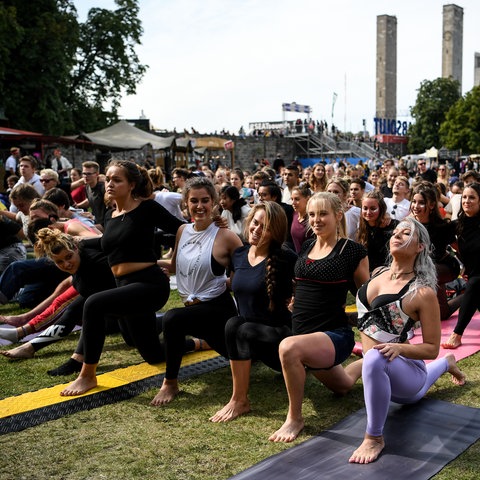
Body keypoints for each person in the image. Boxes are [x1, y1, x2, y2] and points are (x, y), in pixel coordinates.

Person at [58, 159, 185, 396]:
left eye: (117, 180)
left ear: (131, 184)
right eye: (109, 179)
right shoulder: (110, 214)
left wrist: (173, 262)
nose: (110, 184)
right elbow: (108, 243)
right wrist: (77, 241)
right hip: (124, 286)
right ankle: (200, 341)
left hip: (149, 285)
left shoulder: (147, 208)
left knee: (93, 304)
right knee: (152, 354)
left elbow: (181, 228)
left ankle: (87, 375)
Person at [349, 217, 465, 464]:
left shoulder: (422, 292)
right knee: (375, 361)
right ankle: (448, 363)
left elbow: (432, 348)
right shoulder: (378, 273)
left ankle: (374, 437)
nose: (397, 235)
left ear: (420, 247)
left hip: (405, 373)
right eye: (395, 232)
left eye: (406, 233)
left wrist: (398, 347)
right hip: (386, 369)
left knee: (378, 360)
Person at [269, 192, 369, 443]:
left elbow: (367, 298)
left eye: (323, 213)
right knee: (344, 385)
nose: (316, 219)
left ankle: (295, 418)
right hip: (306, 337)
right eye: (312, 214)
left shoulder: (352, 251)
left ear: (338, 215)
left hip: (334, 336)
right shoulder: (308, 246)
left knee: (288, 348)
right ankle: (364, 365)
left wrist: (374, 344)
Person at [151, 176, 243, 406]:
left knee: (172, 319)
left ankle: (170, 383)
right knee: (162, 325)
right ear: (185, 203)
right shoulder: (182, 230)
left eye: (205, 200)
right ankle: (202, 344)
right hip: (193, 310)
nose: (199, 206)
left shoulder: (226, 236)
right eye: (194, 201)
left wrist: (231, 281)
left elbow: (247, 267)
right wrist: (146, 266)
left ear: (214, 202)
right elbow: (173, 266)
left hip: (218, 311)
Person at [210, 202, 297, 422]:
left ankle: (240, 401)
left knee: (239, 326)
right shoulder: (239, 254)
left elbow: (307, 290)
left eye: (265, 227)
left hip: (281, 340)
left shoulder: (285, 259)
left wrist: (298, 301)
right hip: (249, 338)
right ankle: (238, 398)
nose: (256, 230)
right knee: (235, 324)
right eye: (255, 223)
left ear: (275, 232)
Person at [409, 183, 461, 320]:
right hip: (425, 271)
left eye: (421, 203)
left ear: (431, 205)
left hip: (446, 267)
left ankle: (470, 294)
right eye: (414, 201)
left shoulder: (442, 226)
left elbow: (459, 248)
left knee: (426, 271)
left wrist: (471, 270)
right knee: (442, 315)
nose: (415, 206)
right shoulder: (408, 226)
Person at [443, 182, 480, 349]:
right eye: (464, 197)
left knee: (474, 284)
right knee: (475, 286)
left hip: (477, 278)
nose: (467, 201)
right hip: (473, 274)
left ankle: (457, 334)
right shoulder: (457, 225)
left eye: (472, 197)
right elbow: (441, 236)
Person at [357, 191, 397, 272]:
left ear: (381, 209)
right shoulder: (362, 226)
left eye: (373, 208)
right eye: (365, 208)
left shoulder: (393, 226)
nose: (368, 212)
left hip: (387, 273)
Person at [74, 161, 108, 228]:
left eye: (89, 174)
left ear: (97, 174)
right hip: (96, 222)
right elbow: (90, 200)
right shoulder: (87, 187)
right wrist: (77, 206)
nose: (86, 176)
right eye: (84, 173)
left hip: (105, 226)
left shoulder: (103, 188)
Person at [290, 185, 314, 253]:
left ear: (308, 199)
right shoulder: (295, 214)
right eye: (292, 199)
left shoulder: (312, 219)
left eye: (297, 199)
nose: (293, 203)